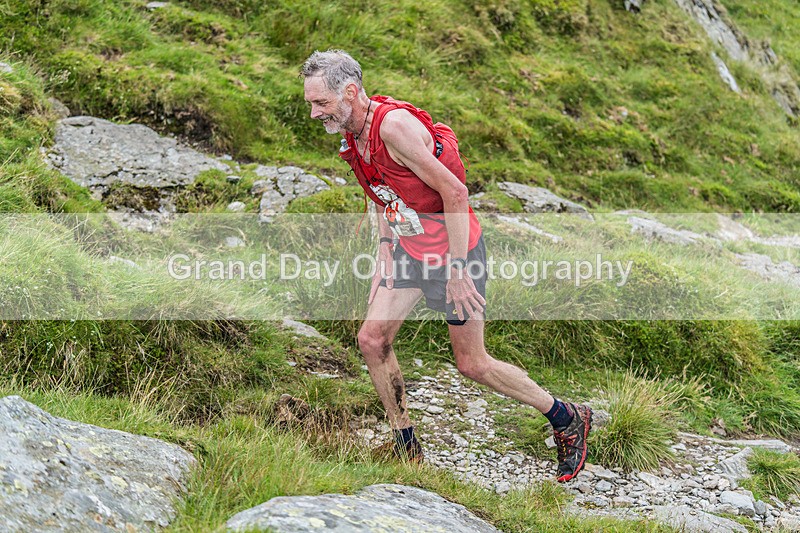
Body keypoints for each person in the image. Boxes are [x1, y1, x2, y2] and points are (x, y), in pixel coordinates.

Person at [300, 49, 592, 482]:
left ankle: (565, 417)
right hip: (410, 251)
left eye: (320, 103)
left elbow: (455, 192)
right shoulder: (350, 131)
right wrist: (385, 246)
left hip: (457, 254)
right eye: (310, 103)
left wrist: (457, 273)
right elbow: (377, 185)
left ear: (349, 91)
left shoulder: (394, 128)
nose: (313, 113)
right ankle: (407, 448)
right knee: (372, 339)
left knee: (472, 363)